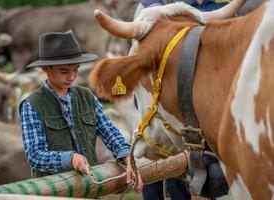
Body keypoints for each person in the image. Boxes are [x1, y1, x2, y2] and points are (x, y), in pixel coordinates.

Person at [19, 30, 143, 193]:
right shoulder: (31, 105)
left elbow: (109, 132)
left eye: (76, 70)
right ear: (45, 68)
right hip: (52, 193)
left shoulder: (87, 96)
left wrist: (127, 156)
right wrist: (69, 159)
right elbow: (35, 155)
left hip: (89, 190)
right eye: (64, 71)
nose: (71, 77)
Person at [136, 0, 230, 199]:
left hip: (208, 119)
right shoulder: (167, 7)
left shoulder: (223, 7)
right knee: (155, 182)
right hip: (166, 115)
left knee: (208, 178)